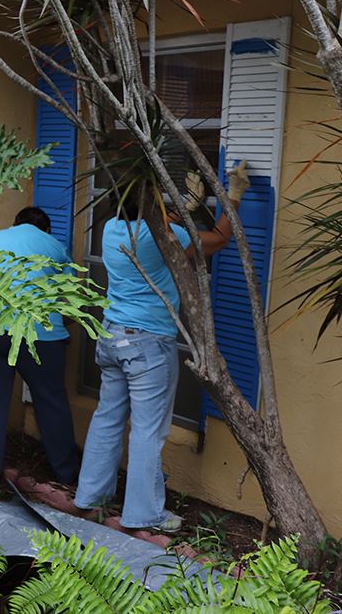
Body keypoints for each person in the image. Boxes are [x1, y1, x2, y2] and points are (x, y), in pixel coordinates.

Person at [74, 164, 249, 532]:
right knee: (147, 431)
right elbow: (216, 240)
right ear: (153, 202)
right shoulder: (161, 237)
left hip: (111, 337)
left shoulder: (110, 229)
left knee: (107, 417)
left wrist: (189, 202)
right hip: (147, 343)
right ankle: (143, 513)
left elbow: (161, 221)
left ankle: (90, 496)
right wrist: (233, 194)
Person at [0, 206, 81, 501]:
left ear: (14, 224)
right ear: (46, 230)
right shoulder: (56, 247)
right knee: (51, 399)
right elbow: (71, 303)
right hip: (38, 334)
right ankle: (66, 478)